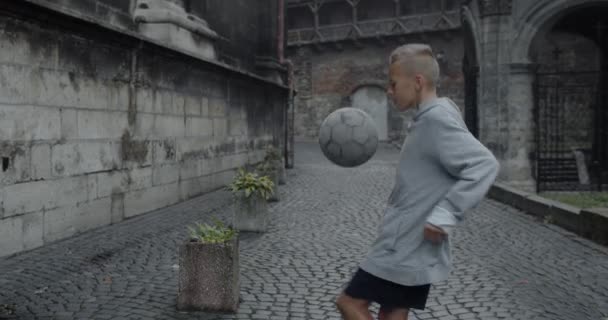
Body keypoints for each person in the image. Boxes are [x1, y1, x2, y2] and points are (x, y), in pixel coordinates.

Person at [335, 43, 500, 320]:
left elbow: (484, 164)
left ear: (418, 82)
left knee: (349, 303)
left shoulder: (436, 119)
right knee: (392, 311)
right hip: (414, 244)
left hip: (403, 244)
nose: (389, 90)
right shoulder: (433, 116)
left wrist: (446, 213)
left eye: (393, 83)